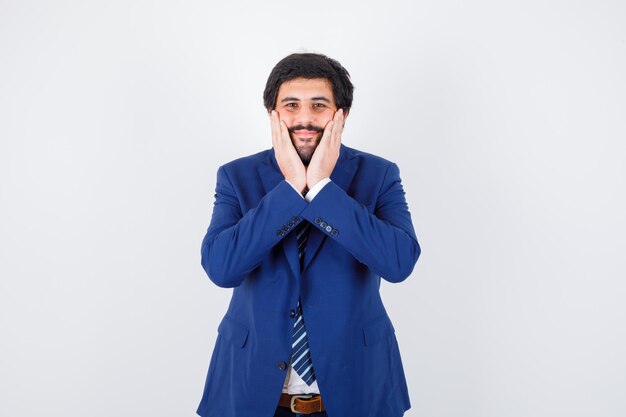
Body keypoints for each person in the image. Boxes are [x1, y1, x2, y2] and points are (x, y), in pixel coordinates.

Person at [197, 53, 421, 417]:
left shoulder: (379, 174)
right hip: (251, 391)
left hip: (357, 389)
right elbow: (222, 268)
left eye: (319, 105)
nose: (304, 119)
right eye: (291, 105)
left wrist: (321, 190)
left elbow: (398, 263)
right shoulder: (236, 176)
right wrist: (289, 191)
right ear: (273, 114)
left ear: (340, 115)